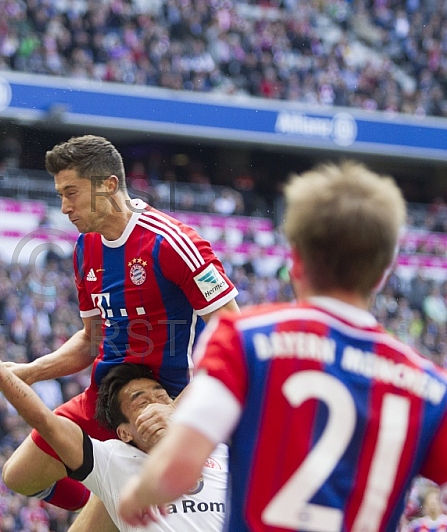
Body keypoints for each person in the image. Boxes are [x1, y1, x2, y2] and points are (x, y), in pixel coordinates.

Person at [118, 161, 447, 531]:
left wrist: (138, 495)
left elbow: (178, 468)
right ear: (386, 270)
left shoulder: (242, 339)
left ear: (295, 259)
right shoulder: (428, 386)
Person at [0, 135, 239, 522]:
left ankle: (116, 493)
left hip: (155, 405)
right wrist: (28, 371)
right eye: (60, 194)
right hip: (101, 397)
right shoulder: (85, 248)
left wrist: (174, 412)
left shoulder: (172, 243)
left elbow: (234, 334)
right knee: (20, 476)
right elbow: (89, 342)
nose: (64, 207)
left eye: (71, 193)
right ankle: (107, 491)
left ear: (109, 185)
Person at [0, 309, 228, 532]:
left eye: (162, 398)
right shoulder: (114, 462)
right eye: (140, 401)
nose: (157, 406)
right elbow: (44, 421)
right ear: (124, 433)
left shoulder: (221, 451)